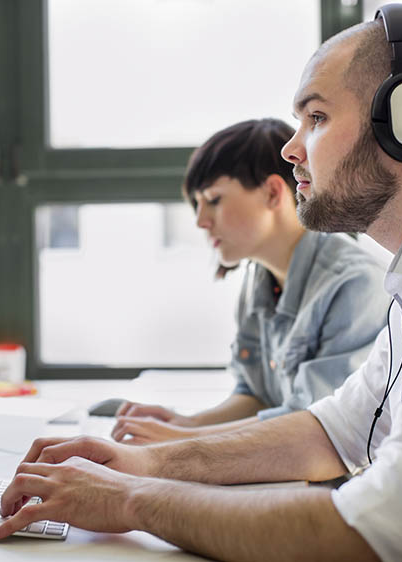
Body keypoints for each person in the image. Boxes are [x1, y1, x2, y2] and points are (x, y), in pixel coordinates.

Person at [0, 6, 402, 561]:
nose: (290, 148)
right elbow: (331, 433)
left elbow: (396, 523)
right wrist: (145, 461)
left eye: (315, 117)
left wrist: (131, 500)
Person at [111, 118, 387, 444]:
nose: (200, 221)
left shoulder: (354, 284)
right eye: (197, 205)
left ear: (273, 193)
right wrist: (186, 424)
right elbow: (256, 395)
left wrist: (180, 441)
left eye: (213, 200)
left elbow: (313, 424)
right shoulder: (260, 278)